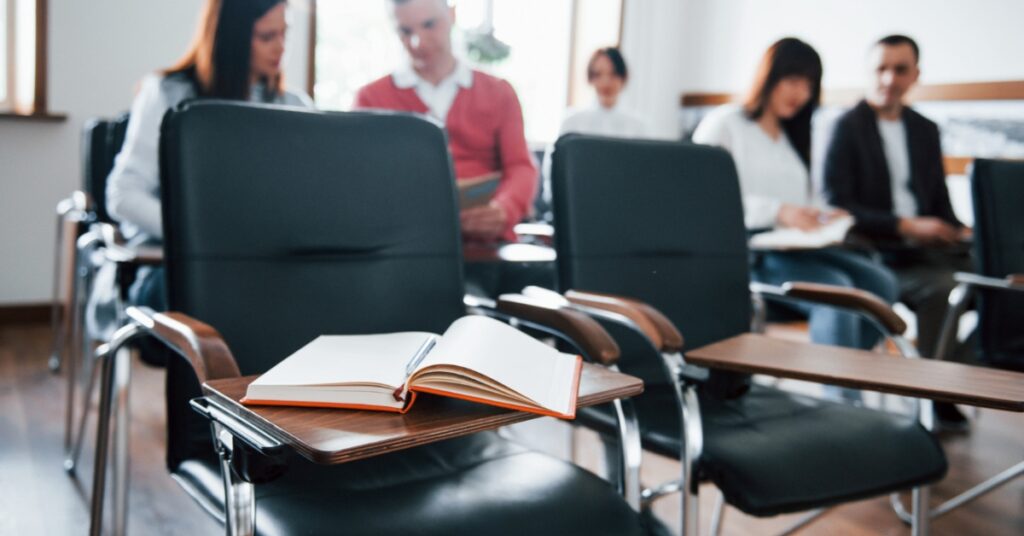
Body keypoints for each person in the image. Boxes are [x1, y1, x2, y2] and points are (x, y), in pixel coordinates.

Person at [96, 0, 311, 368]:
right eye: (266, 36)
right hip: (175, 269)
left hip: (265, 267)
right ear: (232, 37)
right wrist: (203, 236)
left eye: (285, 34)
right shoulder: (168, 93)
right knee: (239, 306)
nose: (281, 48)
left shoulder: (294, 105)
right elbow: (124, 195)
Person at [693, 38, 899, 402]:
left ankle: (839, 369)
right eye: (792, 80)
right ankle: (843, 405)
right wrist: (777, 211)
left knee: (880, 282)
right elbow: (700, 199)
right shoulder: (726, 123)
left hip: (793, 248)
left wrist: (819, 215)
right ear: (769, 77)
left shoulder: (794, 139)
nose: (800, 93)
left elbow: (800, 203)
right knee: (835, 293)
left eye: (808, 84)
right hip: (748, 253)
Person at [823, 35, 972, 426]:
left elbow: (939, 201)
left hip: (930, 248)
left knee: (994, 278)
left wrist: (961, 230)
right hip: (878, 252)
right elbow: (838, 207)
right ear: (868, 73)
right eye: (881, 68)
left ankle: (949, 377)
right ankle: (932, 392)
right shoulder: (846, 127)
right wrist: (904, 226)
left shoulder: (924, 130)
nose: (889, 78)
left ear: (915, 75)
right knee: (945, 289)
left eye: (900, 69)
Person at [354, 0, 537, 244]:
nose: (418, 42)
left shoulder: (499, 93)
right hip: (402, 246)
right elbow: (361, 177)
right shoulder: (370, 98)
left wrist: (504, 209)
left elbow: (521, 167)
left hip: (484, 246)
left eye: (429, 25)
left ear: (452, 16)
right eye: (405, 31)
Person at [559, 47, 647, 138]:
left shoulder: (638, 127)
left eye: (613, 74)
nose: (606, 82)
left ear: (623, 77)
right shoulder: (572, 122)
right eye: (598, 74)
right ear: (590, 78)